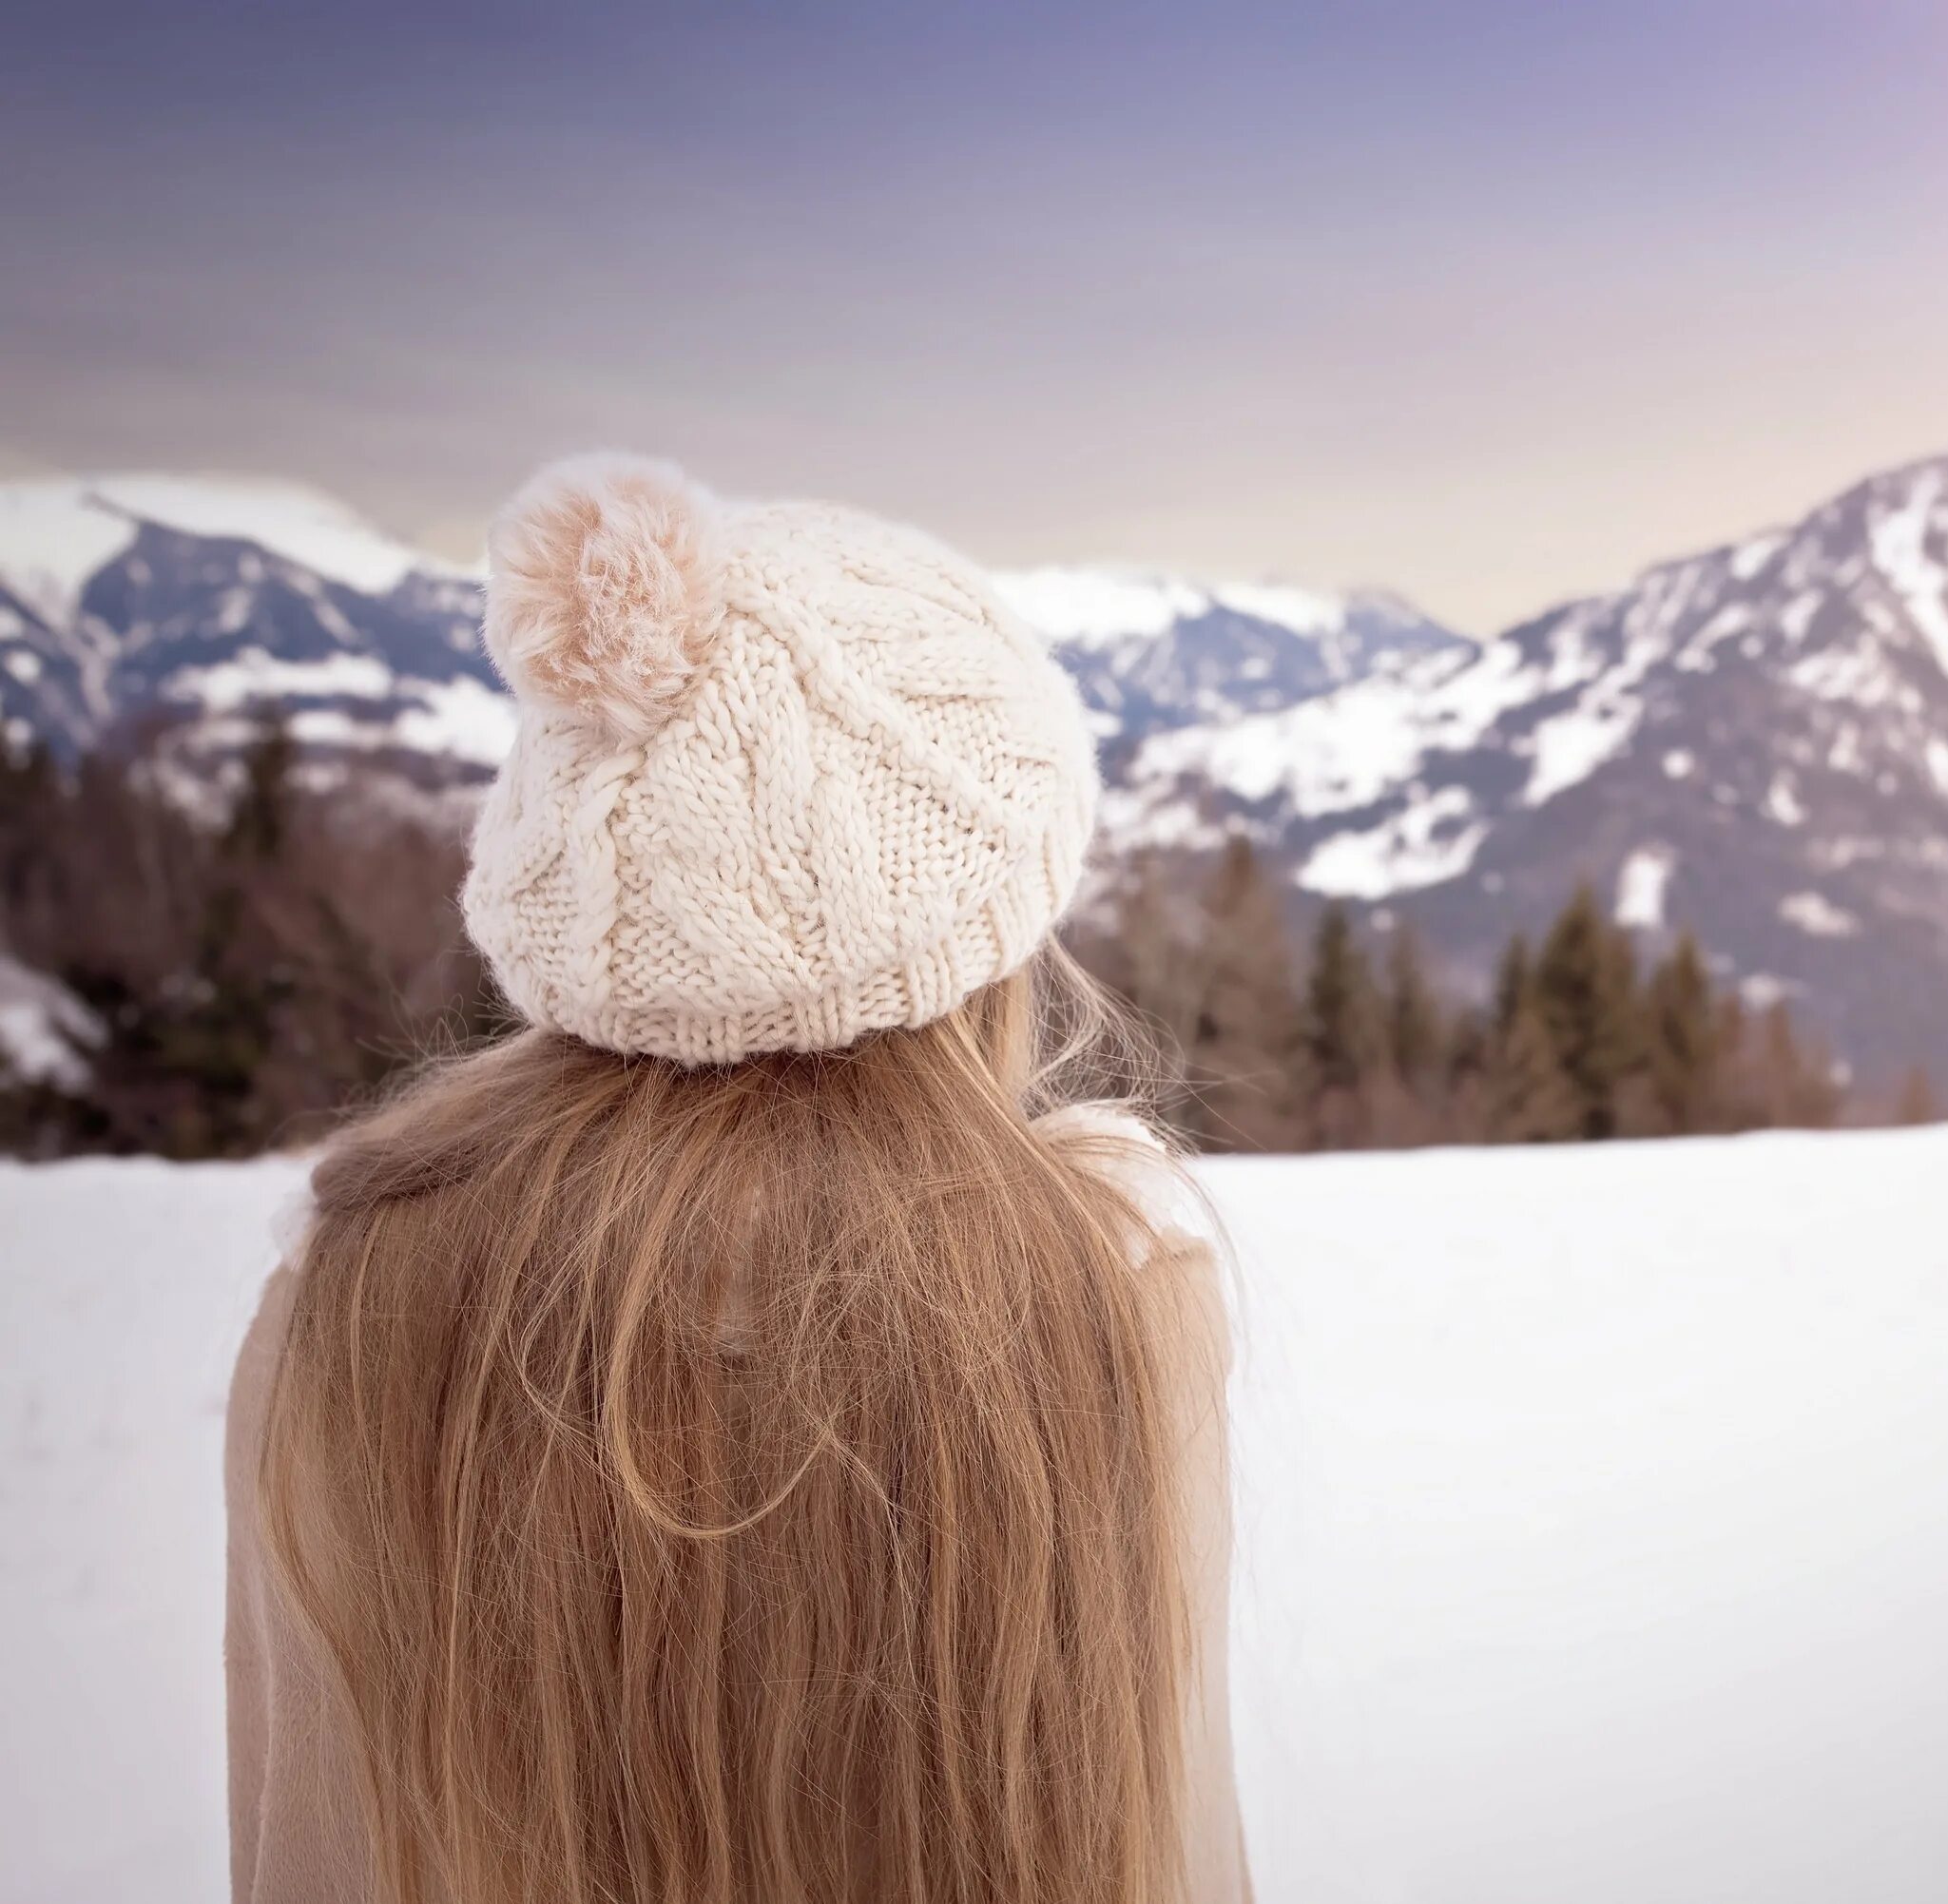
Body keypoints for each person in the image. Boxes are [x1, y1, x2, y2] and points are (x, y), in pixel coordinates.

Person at [223, 456, 1248, 1903]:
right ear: (987, 957)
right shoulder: (1108, 1297)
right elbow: (1172, 1853)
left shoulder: (358, 1302)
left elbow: (299, 1853)